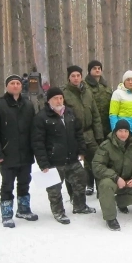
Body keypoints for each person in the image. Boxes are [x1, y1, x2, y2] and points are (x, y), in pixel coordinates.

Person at [32, 87, 96, 224]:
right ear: (49, 100)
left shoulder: (70, 113)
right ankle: (58, 212)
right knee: (54, 189)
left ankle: (80, 206)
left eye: (61, 98)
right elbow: (38, 143)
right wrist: (43, 163)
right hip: (53, 161)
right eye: (55, 98)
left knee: (80, 181)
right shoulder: (41, 117)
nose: (59, 101)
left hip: (72, 157)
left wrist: (82, 151)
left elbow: (78, 133)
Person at [0, 75, 38, 228]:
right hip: (7, 153)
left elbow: (34, 130)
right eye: (12, 83)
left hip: (25, 153)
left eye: (17, 83)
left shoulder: (28, 105)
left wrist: (35, 149)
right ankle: (7, 213)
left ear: (21, 86)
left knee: (24, 182)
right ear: (7, 86)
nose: (15, 86)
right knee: (7, 184)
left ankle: (23, 209)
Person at [92, 120, 132, 231]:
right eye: (120, 131)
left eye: (126, 131)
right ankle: (110, 218)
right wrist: (116, 177)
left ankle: (119, 202)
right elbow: (96, 166)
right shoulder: (106, 146)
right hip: (111, 181)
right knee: (106, 184)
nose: (123, 134)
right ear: (115, 131)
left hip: (127, 180)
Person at [63, 65, 104, 196]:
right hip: (73, 135)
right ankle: (75, 193)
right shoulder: (64, 93)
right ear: (69, 77)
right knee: (72, 165)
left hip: (89, 133)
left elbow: (95, 114)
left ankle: (100, 188)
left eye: (78, 76)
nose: (76, 78)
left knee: (97, 161)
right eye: (73, 76)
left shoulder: (87, 92)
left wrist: (98, 134)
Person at [109, 70, 132, 152]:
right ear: (124, 81)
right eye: (128, 80)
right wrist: (116, 131)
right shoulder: (117, 93)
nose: (130, 82)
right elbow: (113, 115)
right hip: (123, 133)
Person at [85, 60, 113, 138]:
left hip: (106, 124)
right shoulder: (85, 86)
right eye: (94, 68)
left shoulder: (106, 86)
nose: (97, 70)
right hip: (92, 125)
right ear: (89, 70)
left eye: (99, 68)